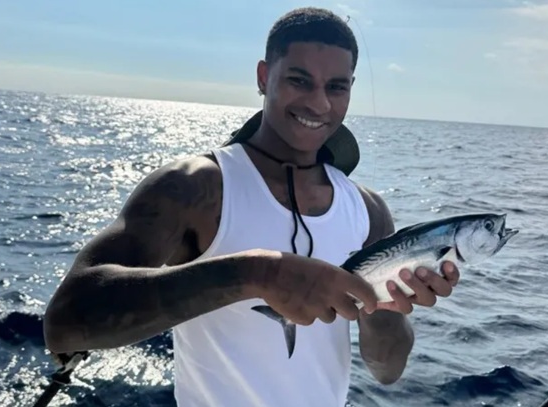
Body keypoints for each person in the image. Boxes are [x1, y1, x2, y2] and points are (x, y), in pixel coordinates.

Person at [43, 6, 460, 407]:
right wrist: (257, 273)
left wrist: (379, 307)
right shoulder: (195, 186)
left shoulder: (368, 211)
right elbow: (65, 322)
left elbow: (387, 370)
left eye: (337, 87)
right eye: (299, 80)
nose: (319, 104)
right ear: (263, 76)